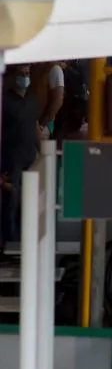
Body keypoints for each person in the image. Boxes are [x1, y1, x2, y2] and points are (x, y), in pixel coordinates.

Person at [0, 65, 42, 247]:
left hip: (30, 156)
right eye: (21, 74)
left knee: (29, 203)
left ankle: (24, 244)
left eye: (27, 74)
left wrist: (43, 151)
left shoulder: (33, 100)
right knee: (11, 203)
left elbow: (34, 126)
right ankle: (9, 243)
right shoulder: (5, 102)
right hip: (11, 158)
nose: (25, 77)